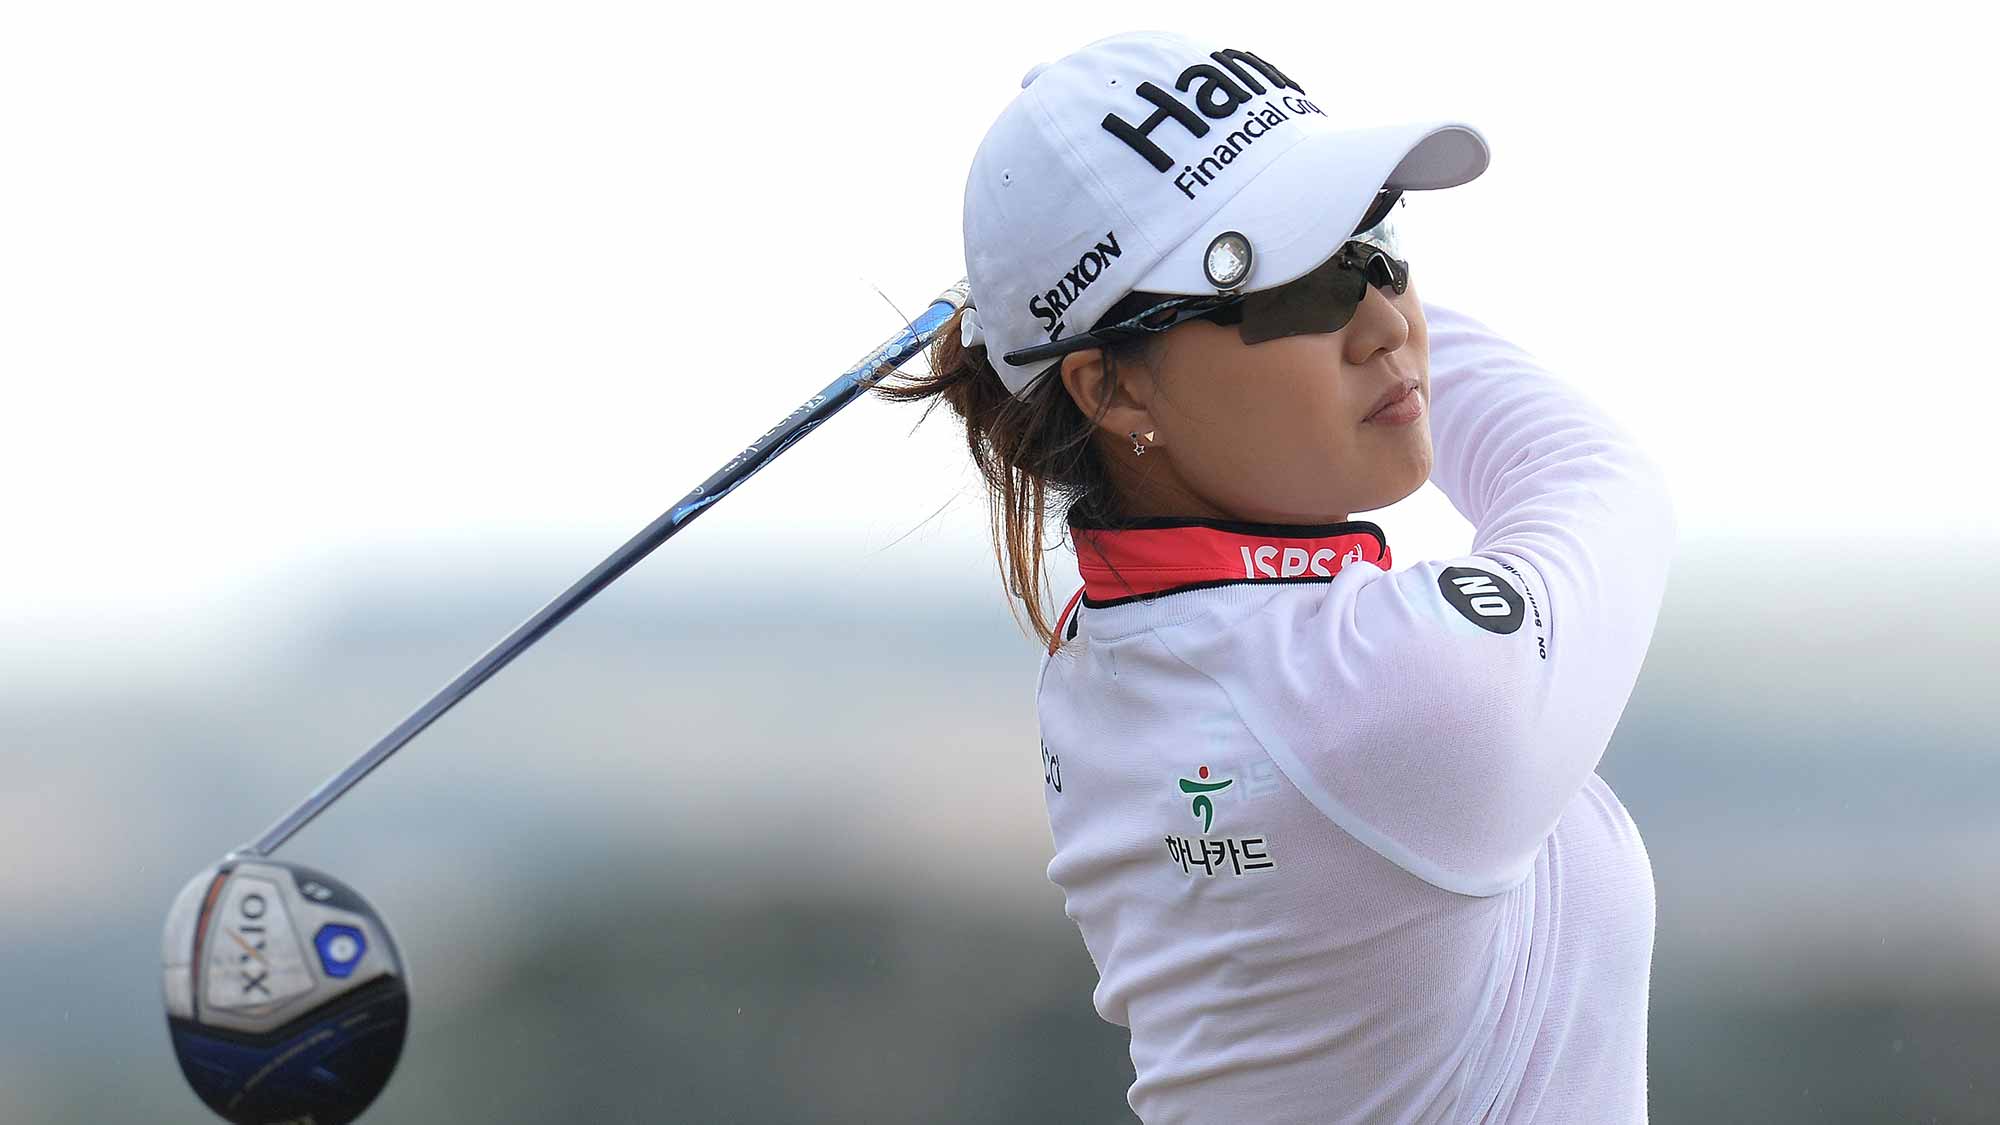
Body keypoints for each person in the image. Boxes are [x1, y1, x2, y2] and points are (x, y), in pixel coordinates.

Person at [876, 29, 1676, 1124]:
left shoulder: (1115, 656)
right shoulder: (1391, 685)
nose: (1390, 322)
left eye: (1381, 246)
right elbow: (1593, 479)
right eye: (1292, 285)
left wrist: (1298, 253)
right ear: (1111, 391)